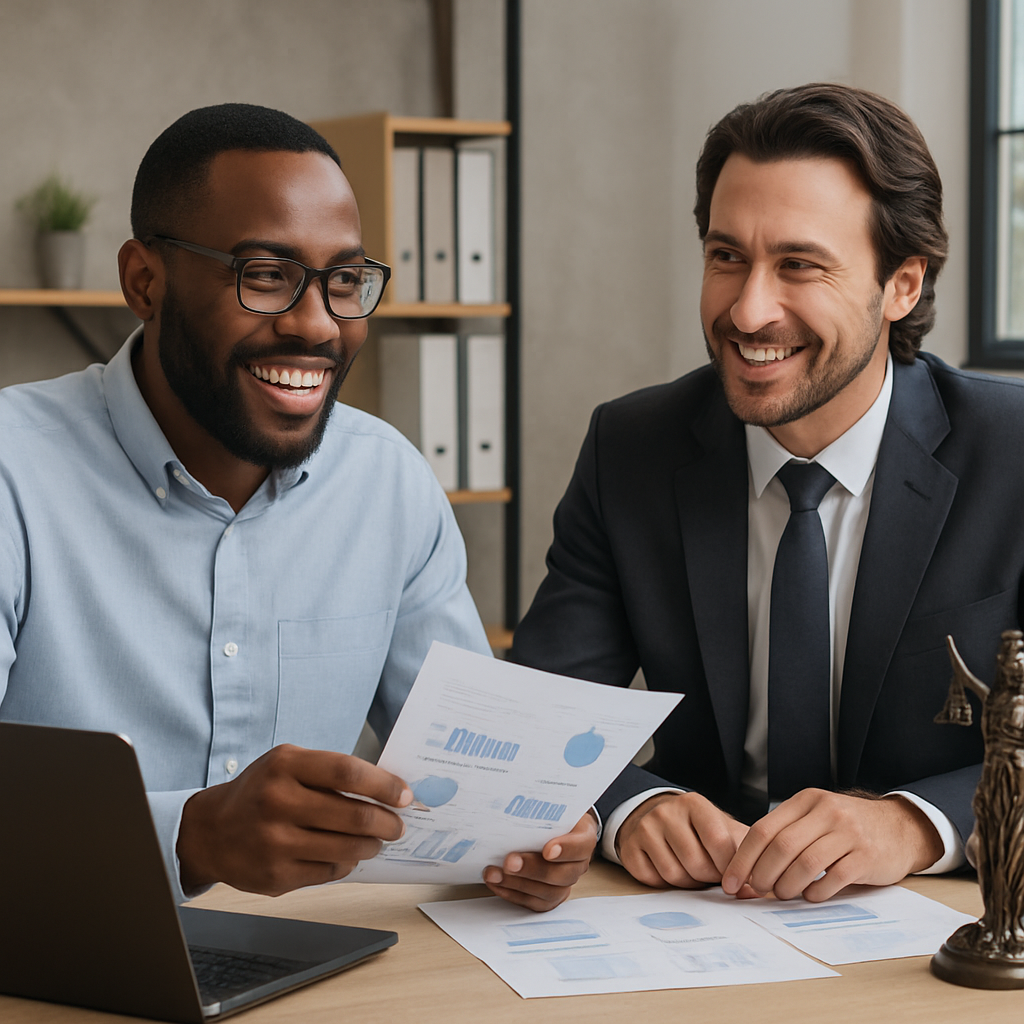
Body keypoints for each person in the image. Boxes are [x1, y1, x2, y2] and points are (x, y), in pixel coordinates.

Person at [0, 103, 596, 911]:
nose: (317, 325)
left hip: (313, 969)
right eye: (266, 275)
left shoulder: (388, 482)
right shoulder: (14, 472)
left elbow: (469, 775)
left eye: (344, 281)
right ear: (146, 281)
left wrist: (536, 834)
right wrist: (190, 835)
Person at [510, 82, 1024, 903]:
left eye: (799, 265)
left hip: (938, 927)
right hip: (700, 923)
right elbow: (536, 722)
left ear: (902, 285)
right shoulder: (632, 448)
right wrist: (634, 807)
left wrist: (912, 822)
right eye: (726, 258)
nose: (748, 310)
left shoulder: (1013, 450)